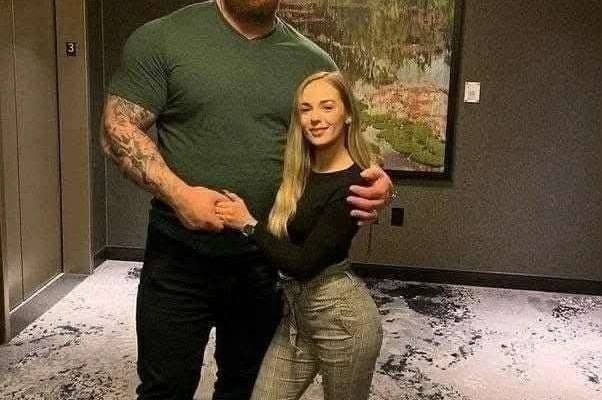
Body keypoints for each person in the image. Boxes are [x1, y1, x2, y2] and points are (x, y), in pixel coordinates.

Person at [101, 1, 391, 399]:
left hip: (262, 259)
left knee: (245, 387)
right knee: (164, 388)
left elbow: (337, 142)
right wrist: (179, 195)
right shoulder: (163, 38)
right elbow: (117, 128)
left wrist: (378, 180)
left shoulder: (311, 61)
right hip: (178, 256)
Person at [216, 71, 383, 400]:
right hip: (296, 314)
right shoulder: (299, 172)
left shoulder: (355, 183)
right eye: (306, 109)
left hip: (342, 318)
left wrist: (247, 224)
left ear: (348, 114)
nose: (315, 118)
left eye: (327, 107)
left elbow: (303, 263)